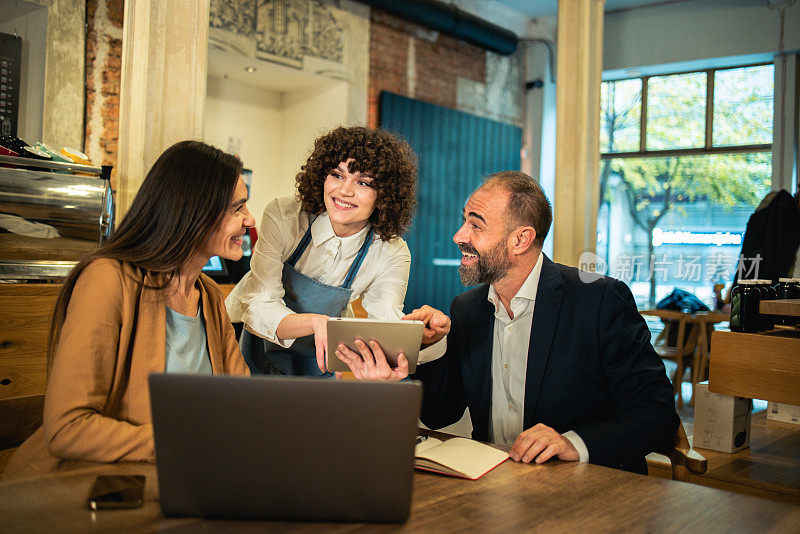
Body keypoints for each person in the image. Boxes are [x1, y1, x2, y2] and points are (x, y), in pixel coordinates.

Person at [335, 171, 679, 474]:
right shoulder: (467, 308)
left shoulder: (600, 300)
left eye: (475, 224)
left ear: (521, 239)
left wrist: (573, 442)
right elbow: (441, 412)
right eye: (464, 221)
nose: (459, 235)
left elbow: (656, 413)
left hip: (589, 491)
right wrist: (425, 349)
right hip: (492, 486)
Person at [3, 141, 253, 480]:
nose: (249, 220)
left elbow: (239, 403)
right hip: (96, 490)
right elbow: (68, 428)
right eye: (237, 208)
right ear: (192, 211)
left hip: (183, 477)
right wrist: (185, 443)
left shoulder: (208, 294)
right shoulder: (108, 279)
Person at [226, 126, 417, 377]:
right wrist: (317, 323)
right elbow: (259, 304)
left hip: (317, 363)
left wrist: (393, 359)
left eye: (363, 182)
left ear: (385, 196)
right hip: (249, 344)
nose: (344, 191)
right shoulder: (285, 215)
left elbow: (384, 326)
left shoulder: (391, 252)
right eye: (337, 175)